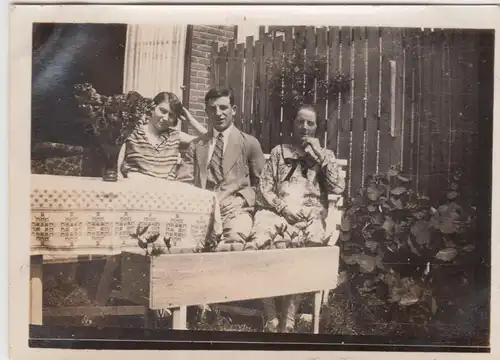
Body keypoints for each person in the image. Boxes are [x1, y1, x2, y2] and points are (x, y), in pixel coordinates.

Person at [245, 104, 346, 333]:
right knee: (263, 236)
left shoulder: (325, 156)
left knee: (303, 246)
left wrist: (320, 156)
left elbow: (338, 187)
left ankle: (289, 318)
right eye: (300, 121)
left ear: (317, 127)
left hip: (308, 215)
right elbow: (264, 190)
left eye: (310, 123)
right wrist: (284, 209)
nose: (305, 127)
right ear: (293, 124)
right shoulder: (280, 152)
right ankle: (270, 316)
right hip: (278, 212)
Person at [177, 87, 266, 250]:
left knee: (233, 246)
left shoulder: (249, 144)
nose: (218, 113)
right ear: (206, 111)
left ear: (234, 110)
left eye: (223, 107)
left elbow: (263, 186)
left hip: (235, 211)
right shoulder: (196, 146)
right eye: (212, 108)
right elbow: (184, 183)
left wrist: (242, 199)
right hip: (201, 211)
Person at [117, 91, 207, 180]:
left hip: (165, 191)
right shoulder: (132, 132)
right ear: (152, 108)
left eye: (171, 115)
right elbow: (117, 171)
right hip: (135, 189)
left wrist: (190, 119)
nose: (166, 118)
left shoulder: (175, 136)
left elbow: (209, 139)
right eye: (163, 111)